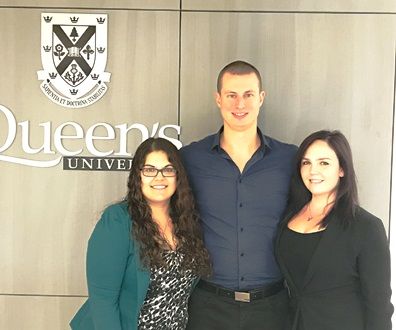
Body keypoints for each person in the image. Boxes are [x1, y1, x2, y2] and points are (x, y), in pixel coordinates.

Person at [181, 60, 297, 330]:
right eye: (231, 95)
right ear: (218, 99)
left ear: (261, 98)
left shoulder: (289, 159)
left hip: (272, 308)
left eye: (248, 95)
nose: (240, 104)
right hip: (208, 306)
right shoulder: (191, 158)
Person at [70, 137, 211, 330]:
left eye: (168, 170)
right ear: (138, 176)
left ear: (178, 176)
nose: (159, 177)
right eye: (150, 170)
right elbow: (102, 300)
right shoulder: (118, 220)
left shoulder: (186, 223)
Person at [275, 130, 393, 330]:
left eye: (324, 163)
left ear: (342, 169)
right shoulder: (288, 215)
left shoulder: (366, 227)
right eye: (306, 162)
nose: (313, 171)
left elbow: (378, 306)